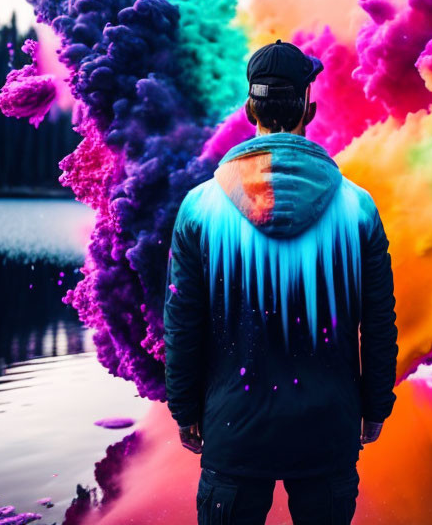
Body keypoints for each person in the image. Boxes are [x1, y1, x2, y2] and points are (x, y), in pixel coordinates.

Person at [164, 39, 398, 525]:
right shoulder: (358, 209)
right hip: (328, 430)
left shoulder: (200, 207)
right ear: (308, 109)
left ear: (250, 108)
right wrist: (376, 406)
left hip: (233, 430)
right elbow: (377, 324)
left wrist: (184, 408)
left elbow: (183, 324)